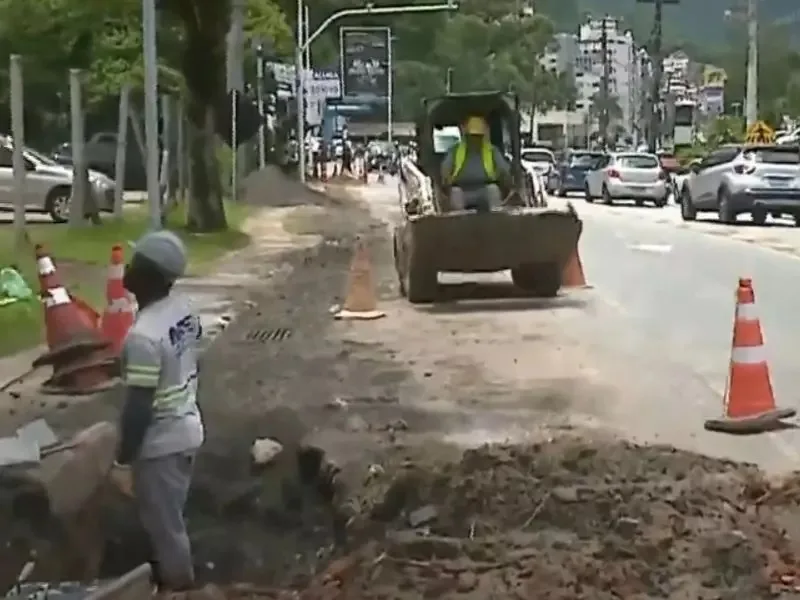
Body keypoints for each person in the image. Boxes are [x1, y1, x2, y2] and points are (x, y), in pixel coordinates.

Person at [110, 230, 204, 592]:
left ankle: (180, 588)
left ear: (149, 276)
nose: (127, 270)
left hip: (161, 445)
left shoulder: (143, 336)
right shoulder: (183, 309)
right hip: (187, 427)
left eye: (135, 265)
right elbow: (187, 355)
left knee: (165, 528)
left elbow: (138, 408)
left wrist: (122, 462)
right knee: (169, 515)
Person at [440, 115, 513, 211]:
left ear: (483, 136)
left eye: (478, 136)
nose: (475, 139)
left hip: (485, 188)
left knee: (493, 190)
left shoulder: (492, 150)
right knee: (455, 193)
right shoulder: (455, 150)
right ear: (466, 136)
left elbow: (504, 170)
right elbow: (445, 169)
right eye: (472, 136)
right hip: (461, 189)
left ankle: (496, 223)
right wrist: (446, 179)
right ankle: (459, 224)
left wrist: (506, 182)